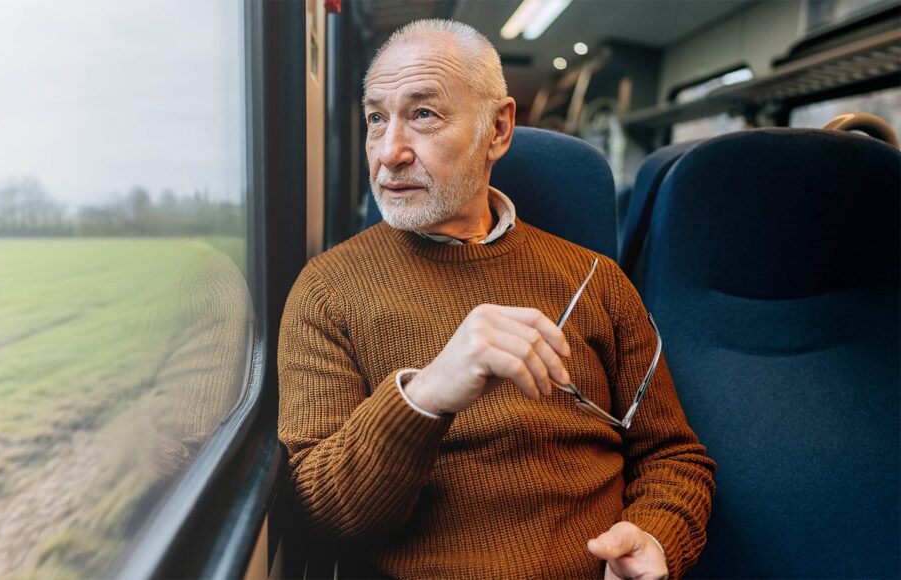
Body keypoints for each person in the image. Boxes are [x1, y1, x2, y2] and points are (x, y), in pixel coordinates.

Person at [278, 19, 716, 579]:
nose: (389, 153)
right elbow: (321, 516)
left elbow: (673, 458)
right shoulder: (326, 291)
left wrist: (656, 538)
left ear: (498, 129)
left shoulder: (596, 280)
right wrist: (427, 394)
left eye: (423, 115)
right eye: (375, 118)